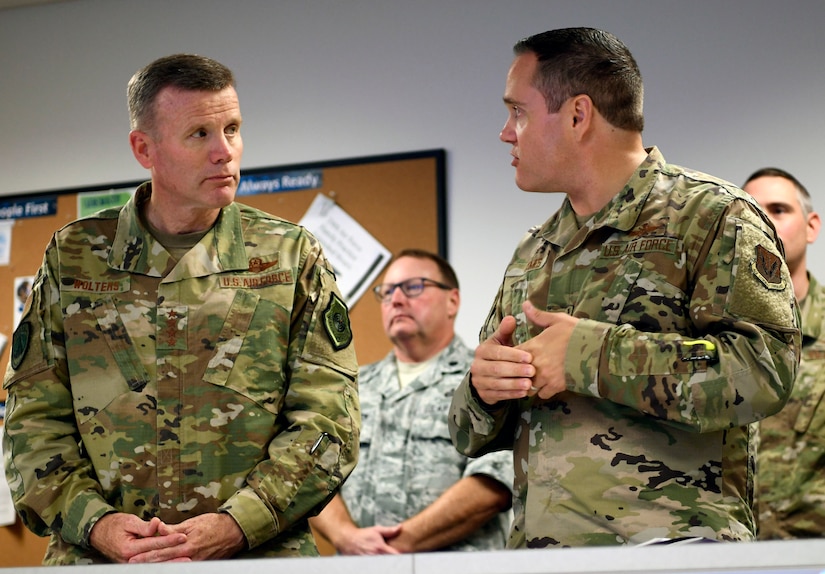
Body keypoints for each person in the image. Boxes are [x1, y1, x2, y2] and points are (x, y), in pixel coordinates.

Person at [448, 27, 801, 549]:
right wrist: (483, 390)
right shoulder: (535, 249)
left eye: (518, 112)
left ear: (577, 115)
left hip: (675, 554)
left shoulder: (711, 217)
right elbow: (466, 432)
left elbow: (765, 371)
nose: (505, 132)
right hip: (540, 557)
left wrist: (592, 354)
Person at [2, 54, 360, 564]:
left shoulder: (288, 256)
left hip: (256, 557)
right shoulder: (75, 257)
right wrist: (96, 524)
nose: (225, 152)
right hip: (101, 561)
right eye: (199, 134)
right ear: (143, 148)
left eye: (232, 129)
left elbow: (328, 422)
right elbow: (32, 423)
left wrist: (239, 522)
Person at [311, 249, 513, 554]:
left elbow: (493, 483)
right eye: (388, 291)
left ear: (452, 301)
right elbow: (313, 477)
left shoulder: (486, 379)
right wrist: (346, 537)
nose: (397, 299)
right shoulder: (351, 387)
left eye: (413, 287)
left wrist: (387, 551)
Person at [743, 167, 825, 539]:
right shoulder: (706, 334)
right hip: (722, 556)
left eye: (778, 210)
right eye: (751, 211)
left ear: (811, 226)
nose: (764, 222)